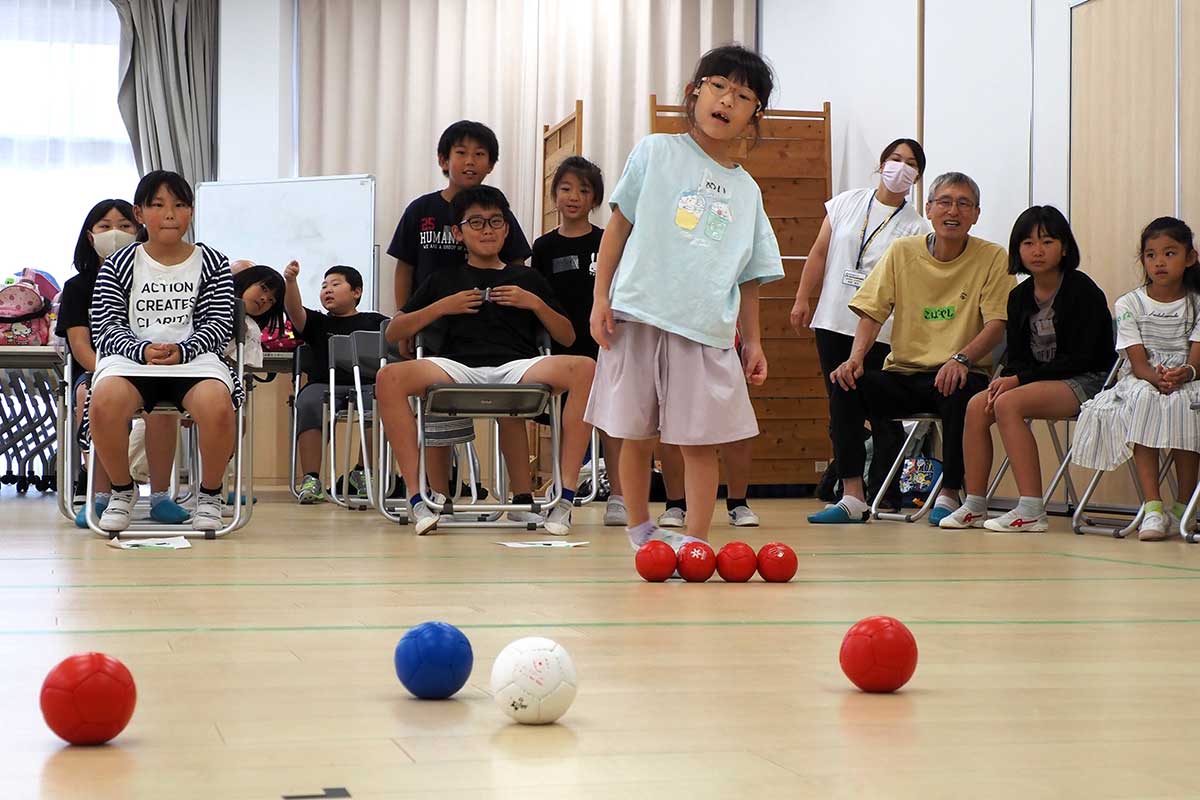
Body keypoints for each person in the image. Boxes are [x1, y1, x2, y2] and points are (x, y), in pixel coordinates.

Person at [586, 44, 785, 548]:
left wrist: (754, 343)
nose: (726, 100)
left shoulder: (748, 191)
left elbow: (751, 276)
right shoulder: (655, 151)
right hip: (638, 315)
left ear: (753, 114)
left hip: (706, 329)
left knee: (700, 443)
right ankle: (639, 529)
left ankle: (696, 542)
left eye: (742, 95)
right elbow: (618, 228)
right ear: (694, 93)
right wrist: (600, 298)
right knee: (634, 433)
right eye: (718, 86)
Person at [375, 185, 596, 535]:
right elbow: (393, 332)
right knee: (388, 378)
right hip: (456, 369)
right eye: (476, 222)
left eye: (496, 221)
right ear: (459, 233)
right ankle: (418, 499)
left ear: (507, 229)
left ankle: (564, 497)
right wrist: (441, 307)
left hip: (516, 369)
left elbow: (568, 337)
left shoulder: (526, 277)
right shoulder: (442, 279)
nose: (488, 229)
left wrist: (534, 303)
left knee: (585, 367)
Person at [813, 171, 1014, 526]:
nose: (954, 210)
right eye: (945, 202)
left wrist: (961, 358)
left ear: (976, 214)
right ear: (929, 208)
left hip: (960, 372)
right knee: (845, 384)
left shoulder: (993, 257)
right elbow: (872, 312)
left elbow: (997, 323)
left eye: (964, 203)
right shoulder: (902, 251)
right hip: (904, 373)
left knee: (959, 393)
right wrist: (855, 359)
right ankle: (853, 495)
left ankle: (950, 494)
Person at [387, 120, 536, 516]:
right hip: (435, 327)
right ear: (443, 159)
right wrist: (408, 319)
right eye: (461, 153)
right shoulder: (421, 210)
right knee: (438, 415)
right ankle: (439, 495)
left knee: (509, 408)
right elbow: (405, 267)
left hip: (496, 333)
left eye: (480, 155)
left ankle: (521, 496)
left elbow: (516, 264)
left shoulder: (498, 211)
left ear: (491, 164)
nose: (470, 162)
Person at [940, 206, 1115, 533]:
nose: (1037, 251)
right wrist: (1008, 379)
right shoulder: (1019, 295)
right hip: (1039, 381)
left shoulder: (1082, 290)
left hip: (1088, 380)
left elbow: (1085, 358)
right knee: (979, 405)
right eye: (1028, 243)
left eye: (1047, 242)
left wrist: (1018, 381)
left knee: (1010, 402)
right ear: (1017, 249)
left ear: (1064, 248)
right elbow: (1019, 357)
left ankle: (1032, 508)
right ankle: (975, 504)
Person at [85, 170, 240, 533]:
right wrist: (140, 350)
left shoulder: (213, 262)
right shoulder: (119, 264)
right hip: (133, 363)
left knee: (218, 405)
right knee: (104, 399)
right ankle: (123, 491)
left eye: (180, 204)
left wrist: (184, 350)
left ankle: (210, 494)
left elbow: (218, 323)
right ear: (140, 213)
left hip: (194, 364)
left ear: (191, 212)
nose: (170, 214)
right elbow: (107, 325)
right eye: (158, 205)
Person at [790, 138, 931, 510]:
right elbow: (819, 251)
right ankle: (850, 489)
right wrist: (803, 297)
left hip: (880, 332)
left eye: (911, 163)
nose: (901, 167)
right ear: (881, 164)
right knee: (840, 407)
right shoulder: (847, 202)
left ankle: (887, 491)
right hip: (833, 320)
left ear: (917, 176)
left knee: (881, 414)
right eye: (895, 159)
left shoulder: (917, 227)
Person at [60, 199, 189, 527]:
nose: (115, 233)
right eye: (105, 226)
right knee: (92, 396)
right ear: (90, 236)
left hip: (152, 367)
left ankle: (160, 495)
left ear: (139, 230)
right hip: (99, 368)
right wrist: (105, 370)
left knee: (160, 402)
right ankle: (102, 494)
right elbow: (80, 345)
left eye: (125, 226)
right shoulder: (77, 287)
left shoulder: (153, 277)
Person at [1072, 217, 1200, 541]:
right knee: (1144, 399)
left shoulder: (1197, 303)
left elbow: (1196, 360)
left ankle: (1184, 507)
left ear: (1190, 257)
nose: (1159, 262)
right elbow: (1137, 363)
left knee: (1188, 403)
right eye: (1151, 254)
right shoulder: (1129, 303)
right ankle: (1153, 507)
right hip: (1142, 377)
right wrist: (1156, 378)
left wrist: (1185, 373)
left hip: (1188, 377)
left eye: (1170, 253)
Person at [530, 155, 625, 524]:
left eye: (584, 190)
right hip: (561, 349)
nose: (574, 196)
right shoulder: (543, 247)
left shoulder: (607, 242)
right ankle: (562, 488)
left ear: (595, 199)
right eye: (566, 188)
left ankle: (618, 496)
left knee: (612, 422)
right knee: (564, 421)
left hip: (606, 344)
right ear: (555, 195)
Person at [283, 262, 388, 503]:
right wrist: (290, 281)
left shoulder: (376, 322)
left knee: (381, 403)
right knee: (307, 402)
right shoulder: (318, 322)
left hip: (366, 385)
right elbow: (293, 310)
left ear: (356, 292)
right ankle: (311, 479)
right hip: (323, 384)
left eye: (335, 284)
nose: (327, 289)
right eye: (323, 286)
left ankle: (362, 474)